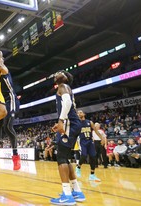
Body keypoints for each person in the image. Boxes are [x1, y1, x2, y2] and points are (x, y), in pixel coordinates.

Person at [50, 71, 85, 205]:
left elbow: (68, 103)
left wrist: (61, 120)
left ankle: (67, 195)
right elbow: (68, 106)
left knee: (61, 158)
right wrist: (59, 122)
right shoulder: (65, 88)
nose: (56, 73)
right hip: (72, 124)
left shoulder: (62, 86)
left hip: (69, 124)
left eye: (60, 72)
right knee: (66, 157)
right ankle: (76, 191)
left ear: (65, 78)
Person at [75, 110, 104, 182]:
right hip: (82, 141)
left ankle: (92, 175)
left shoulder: (89, 122)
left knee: (93, 157)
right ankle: (78, 167)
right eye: (78, 113)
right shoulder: (77, 123)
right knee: (84, 155)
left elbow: (96, 131)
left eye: (80, 112)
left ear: (84, 114)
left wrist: (102, 138)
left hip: (90, 141)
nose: (79, 113)